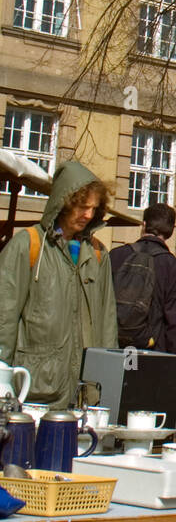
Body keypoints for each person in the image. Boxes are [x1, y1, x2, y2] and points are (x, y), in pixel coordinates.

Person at [0, 160, 118, 409]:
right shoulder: (27, 246)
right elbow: (4, 316)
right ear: (64, 203)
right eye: (82, 207)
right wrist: (2, 378)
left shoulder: (98, 254)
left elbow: (108, 323)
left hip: (86, 393)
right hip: (34, 391)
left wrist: (110, 382)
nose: (88, 215)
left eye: (94, 208)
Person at [109, 203, 176, 375]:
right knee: (146, 400)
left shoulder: (115, 255)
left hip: (114, 349)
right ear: (171, 232)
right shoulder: (174, 268)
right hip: (154, 352)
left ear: (143, 225)